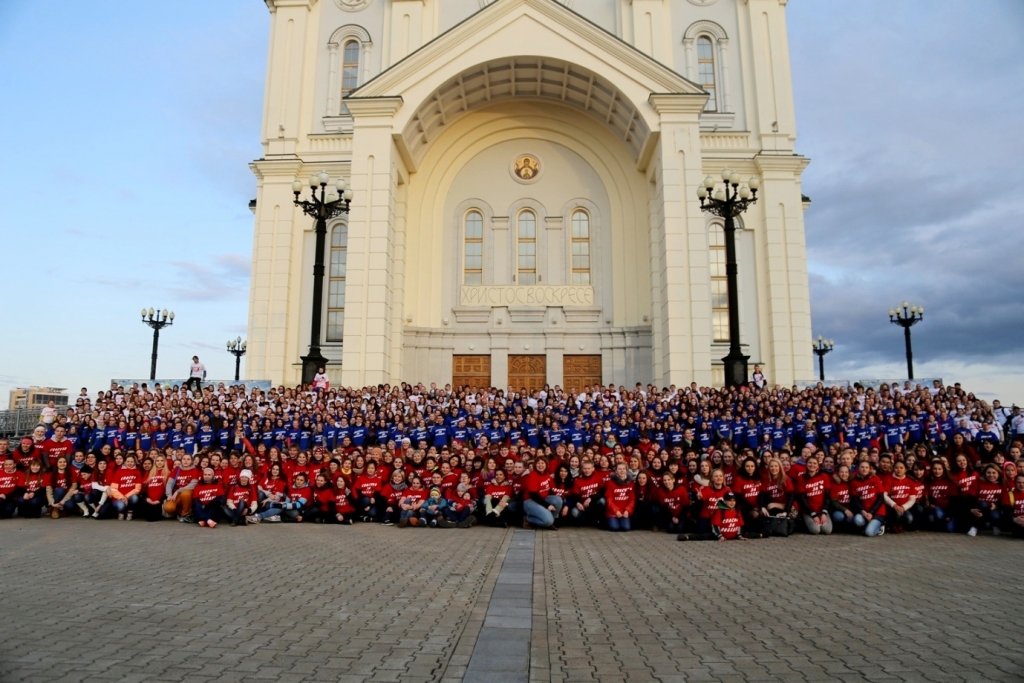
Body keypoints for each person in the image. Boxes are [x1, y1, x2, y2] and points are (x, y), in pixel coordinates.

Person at [604, 462, 636, 532]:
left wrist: (627, 510)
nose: (622, 471)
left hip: (625, 511)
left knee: (626, 528)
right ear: (616, 471)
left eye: (623, 469)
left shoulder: (631, 482)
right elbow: (609, 499)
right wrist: (616, 511)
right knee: (614, 528)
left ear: (626, 470)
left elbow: (632, 499)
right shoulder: (610, 482)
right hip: (613, 512)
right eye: (619, 469)